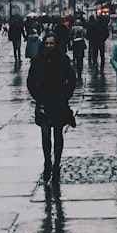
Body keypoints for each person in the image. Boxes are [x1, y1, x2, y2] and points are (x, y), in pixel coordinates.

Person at [26, 32, 77, 184]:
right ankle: (47, 161)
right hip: (43, 101)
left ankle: (57, 164)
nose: (49, 46)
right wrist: (36, 95)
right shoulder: (37, 60)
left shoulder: (62, 59)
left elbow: (72, 78)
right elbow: (30, 80)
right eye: (47, 43)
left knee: (58, 134)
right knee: (45, 134)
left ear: (56, 45)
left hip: (59, 101)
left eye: (52, 43)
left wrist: (67, 94)